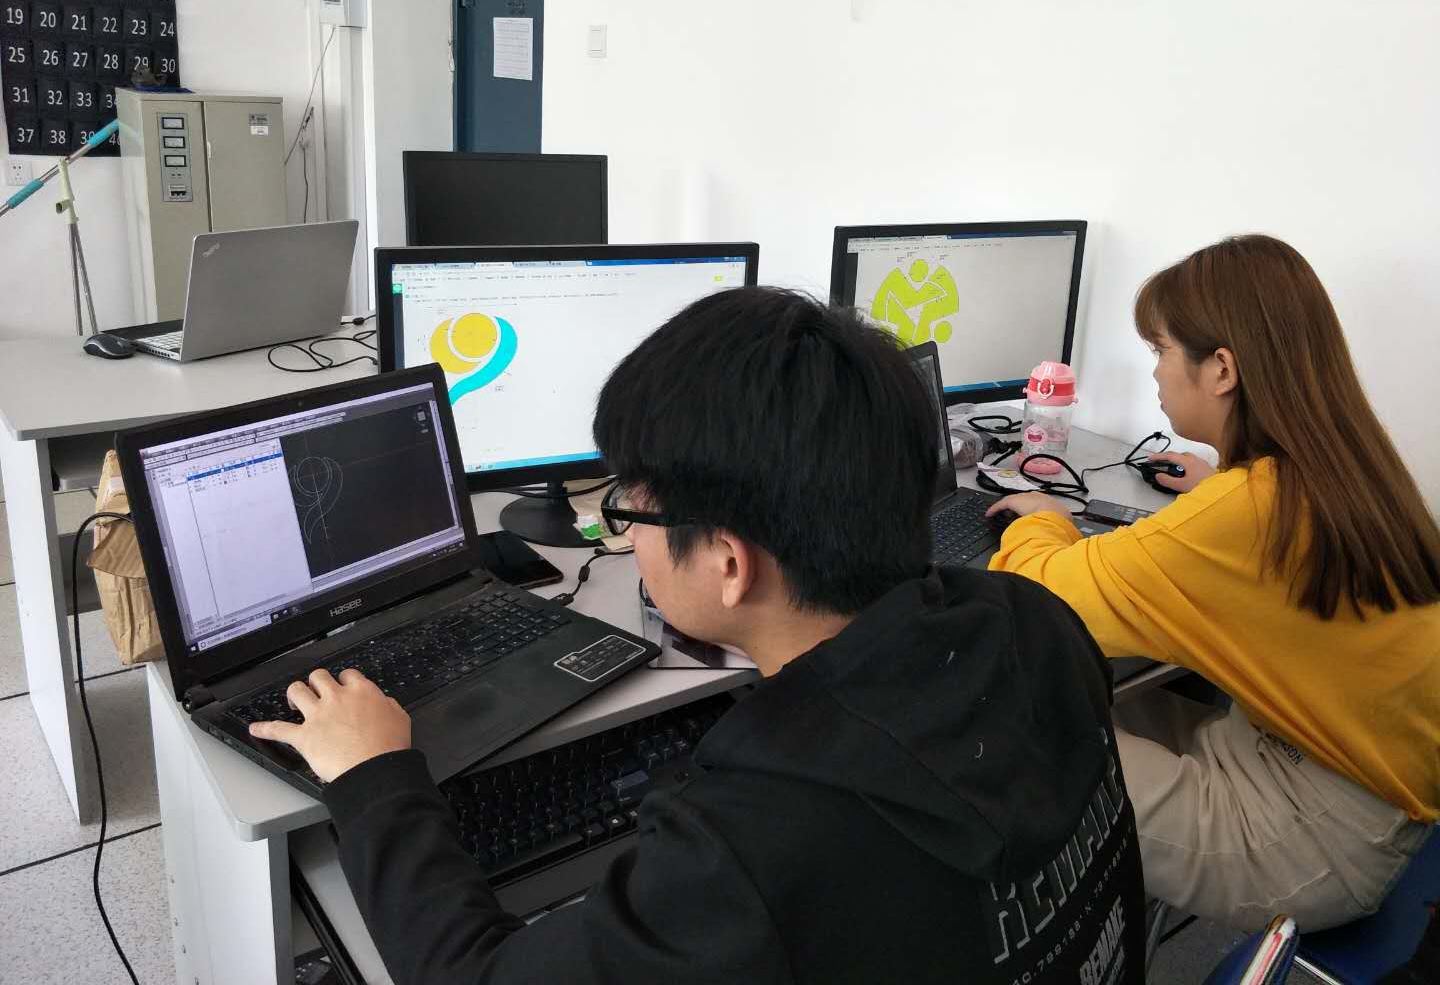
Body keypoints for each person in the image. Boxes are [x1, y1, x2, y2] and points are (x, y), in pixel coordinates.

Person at [251, 287, 1146, 984]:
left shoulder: (754, 845)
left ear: (727, 561)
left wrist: (375, 780)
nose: (625, 533)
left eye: (631, 508)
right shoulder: (1036, 618)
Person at [987, 234, 1440, 931]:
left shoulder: (1245, 512)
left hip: (1314, 840)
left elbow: (1038, 595)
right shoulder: (1343, 472)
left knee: (995, 727)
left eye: (1161, 351)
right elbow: (1257, 540)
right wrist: (1217, 489)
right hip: (1351, 785)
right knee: (1070, 696)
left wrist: (1042, 518)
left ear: (1221, 369)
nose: (1157, 374)